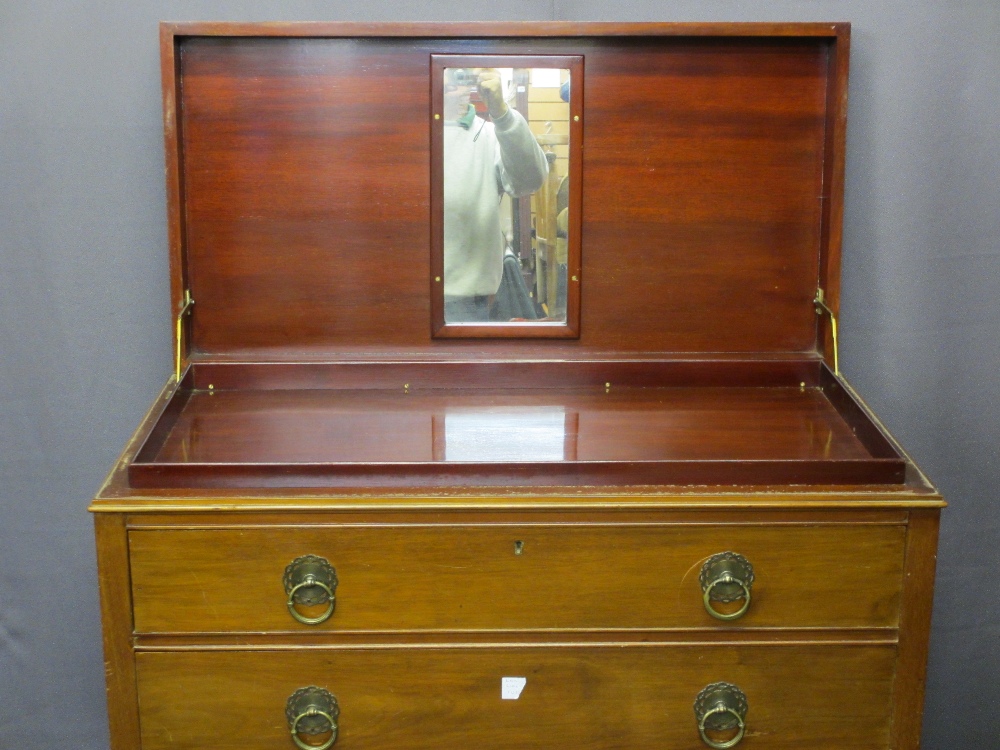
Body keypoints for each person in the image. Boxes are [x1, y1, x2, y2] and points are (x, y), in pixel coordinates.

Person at [442, 68, 548, 322]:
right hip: (399, 293)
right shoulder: (405, 133)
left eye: (458, 79)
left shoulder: (488, 135)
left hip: (467, 301)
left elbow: (529, 180)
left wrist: (503, 114)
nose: (451, 87)